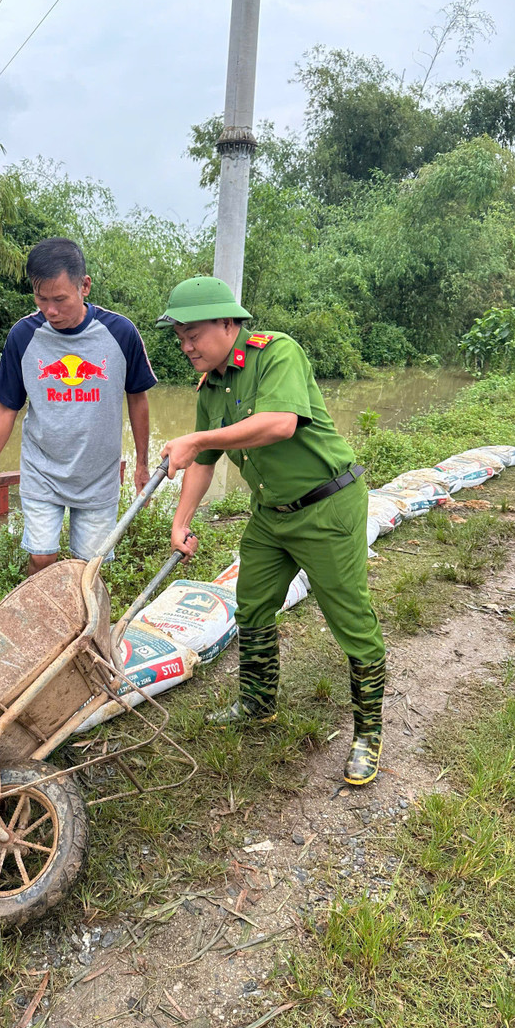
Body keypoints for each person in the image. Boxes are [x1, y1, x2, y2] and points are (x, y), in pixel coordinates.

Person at [157, 277, 385, 787]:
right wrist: (180, 521)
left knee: (350, 617)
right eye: (180, 338)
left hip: (326, 506)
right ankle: (258, 704)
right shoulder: (210, 387)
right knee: (252, 603)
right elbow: (204, 461)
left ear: (227, 323)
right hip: (270, 513)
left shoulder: (277, 352)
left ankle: (368, 733)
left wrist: (197, 438)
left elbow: (280, 423)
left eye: (193, 334)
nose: (186, 346)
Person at [0, 238, 157, 574]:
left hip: (98, 475)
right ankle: (41, 605)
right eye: (41, 299)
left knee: (88, 568)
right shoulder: (24, 335)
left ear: (84, 286)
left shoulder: (120, 333)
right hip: (43, 470)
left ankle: (81, 609)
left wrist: (141, 464)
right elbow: (5, 408)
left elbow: (137, 398)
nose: (50, 310)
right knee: (42, 558)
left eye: (59, 299)